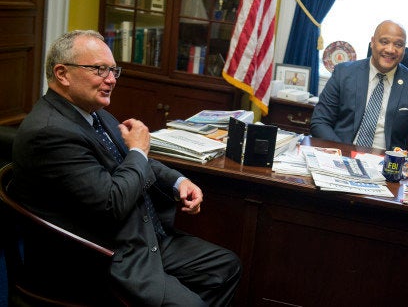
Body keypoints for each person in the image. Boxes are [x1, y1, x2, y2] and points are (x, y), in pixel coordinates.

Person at [9, 30, 241, 306]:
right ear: (62, 74)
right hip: (102, 257)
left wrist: (178, 182)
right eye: (99, 69)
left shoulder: (93, 113)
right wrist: (137, 151)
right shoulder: (50, 133)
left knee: (226, 267)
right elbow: (113, 200)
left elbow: (132, 159)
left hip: (141, 237)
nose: (111, 79)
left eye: (113, 70)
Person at [310, 20, 408, 158]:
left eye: (398, 44)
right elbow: (320, 122)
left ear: (404, 49)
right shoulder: (343, 73)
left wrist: (403, 163)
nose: (390, 50)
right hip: (342, 156)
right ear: (372, 42)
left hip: (388, 167)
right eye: (384, 42)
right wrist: (343, 153)